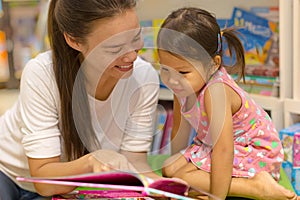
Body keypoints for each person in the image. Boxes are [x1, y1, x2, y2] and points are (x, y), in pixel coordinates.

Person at [0, 0, 161, 199]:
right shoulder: (42, 73)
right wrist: (91, 162)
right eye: (114, 47)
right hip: (9, 172)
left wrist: (160, 186)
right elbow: (44, 181)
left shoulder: (144, 79)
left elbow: (134, 162)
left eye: (136, 37)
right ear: (74, 40)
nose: (131, 56)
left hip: (69, 188)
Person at [157, 7, 299, 200]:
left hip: (251, 149)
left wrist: (216, 196)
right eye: (165, 69)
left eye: (182, 72)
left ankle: (257, 187)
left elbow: (224, 149)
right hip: (212, 145)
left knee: (182, 176)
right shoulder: (180, 85)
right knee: (169, 169)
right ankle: (197, 184)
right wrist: (175, 174)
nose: (172, 80)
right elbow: (179, 130)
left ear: (214, 64)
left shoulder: (216, 92)